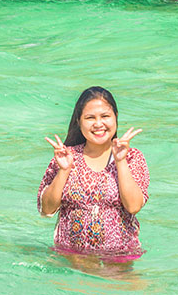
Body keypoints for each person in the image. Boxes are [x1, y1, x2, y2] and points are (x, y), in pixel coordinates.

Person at [38, 86, 149, 260]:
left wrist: (120, 161)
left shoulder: (132, 157)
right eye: (90, 118)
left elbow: (134, 206)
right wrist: (64, 170)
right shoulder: (66, 156)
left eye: (105, 116)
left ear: (116, 117)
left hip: (118, 258)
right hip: (71, 257)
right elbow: (47, 209)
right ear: (79, 121)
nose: (98, 124)